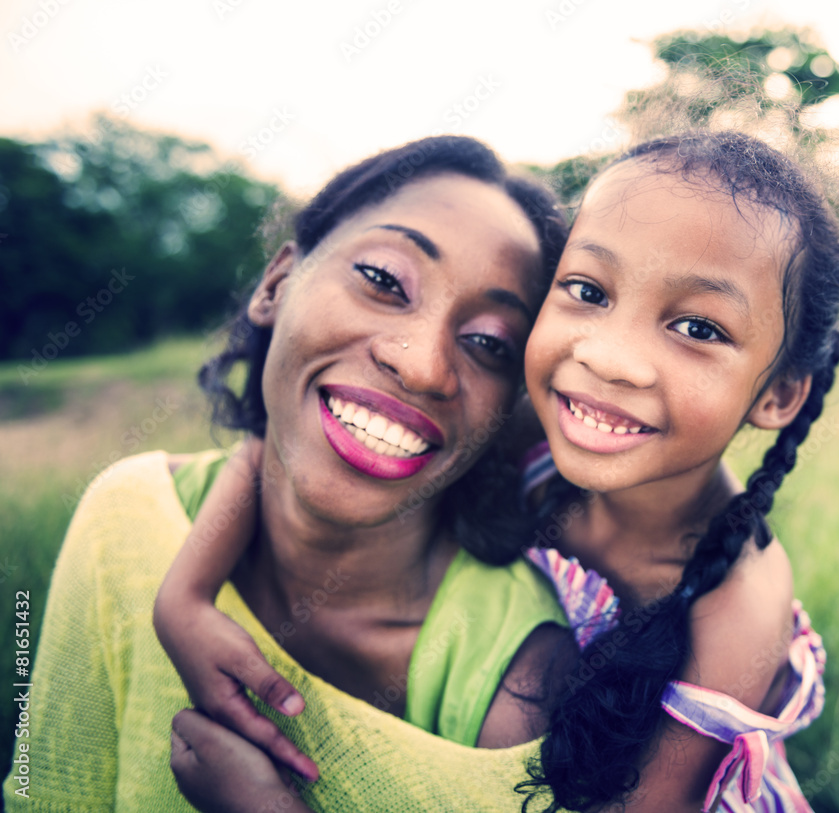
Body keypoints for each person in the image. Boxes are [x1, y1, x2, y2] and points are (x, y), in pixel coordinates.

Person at [160, 128, 839, 813]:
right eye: (588, 289)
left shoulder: (737, 604)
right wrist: (187, 594)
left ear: (778, 393)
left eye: (698, 328)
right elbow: (275, 445)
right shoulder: (537, 432)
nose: (609, 357)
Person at [0, 135, 576, 812]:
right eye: (385, 281)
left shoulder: (517, 682)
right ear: (276, 284)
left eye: (488, 343)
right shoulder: (126, 516)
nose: (421, 363)